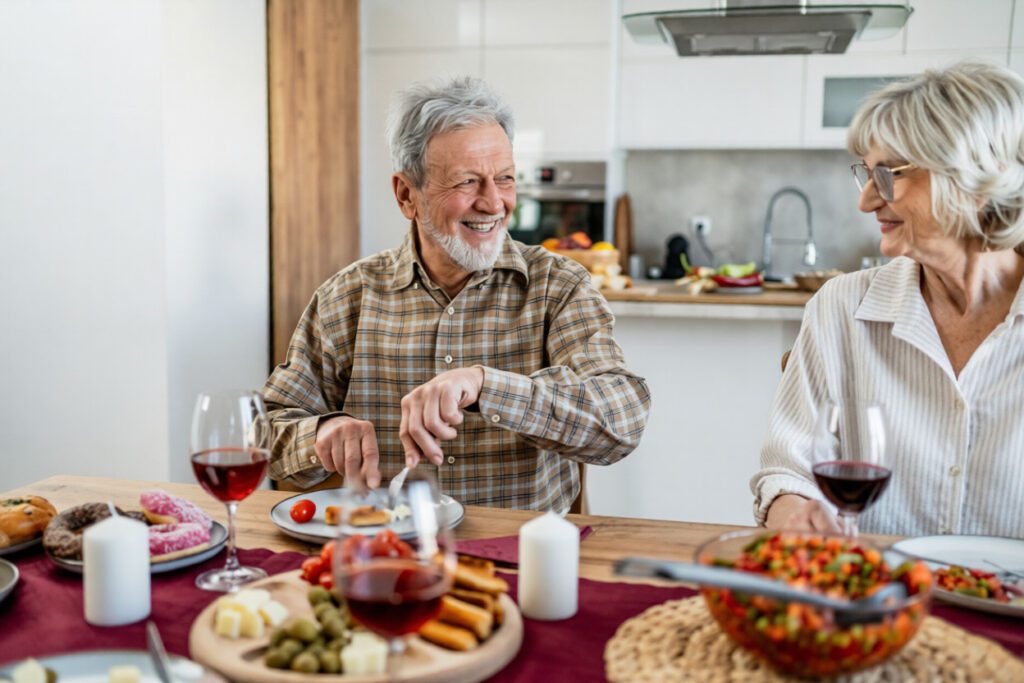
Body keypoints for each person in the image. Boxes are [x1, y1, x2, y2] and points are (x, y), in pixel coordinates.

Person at [263, 76, 650, 512]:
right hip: (388, 557)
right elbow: (269, 430)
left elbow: (622, 419)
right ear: (407, 195)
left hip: (521, 558)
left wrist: (486, 385)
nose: (493, 203)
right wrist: (319, 435)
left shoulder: (556, 286)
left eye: (504, 178)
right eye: (467, 182)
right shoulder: (347, 297)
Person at [752, 60, 1024, 537]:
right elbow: (787, 471)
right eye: (867, 174)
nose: (867, 201)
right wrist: (795, 512)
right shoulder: (841, 307)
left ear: (979, 179)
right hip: (875, 600)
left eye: (889, 175)